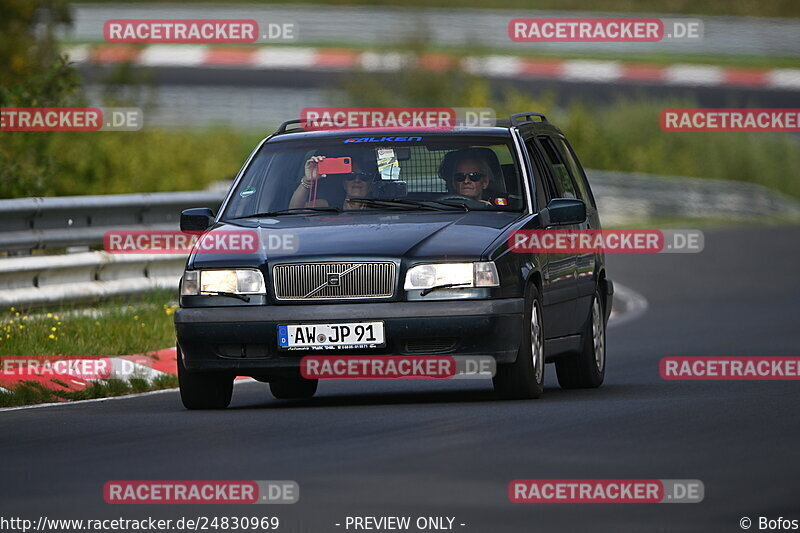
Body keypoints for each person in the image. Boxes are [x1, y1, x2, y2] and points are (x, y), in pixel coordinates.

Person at [289, 154, 375, 210]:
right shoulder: (329, 205)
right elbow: (294, 210)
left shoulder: (382, 207)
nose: (357, 180)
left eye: (364, 177)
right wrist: (308, 180)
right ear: (344, 184)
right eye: (351, 176)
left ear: (371, 185)